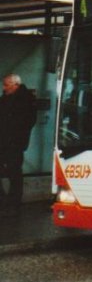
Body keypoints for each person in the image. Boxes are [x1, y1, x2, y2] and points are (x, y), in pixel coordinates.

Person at [0, 73, 36, 216]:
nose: (4, 88)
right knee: (13, 172)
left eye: (6, 85)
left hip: (14, 142)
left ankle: (13, 203)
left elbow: (28, 121)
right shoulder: (5, 98)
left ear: (16, 85)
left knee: (14, 172)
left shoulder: (26, 99)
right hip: (4, 140)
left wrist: (16, 135)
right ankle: (5, 200)